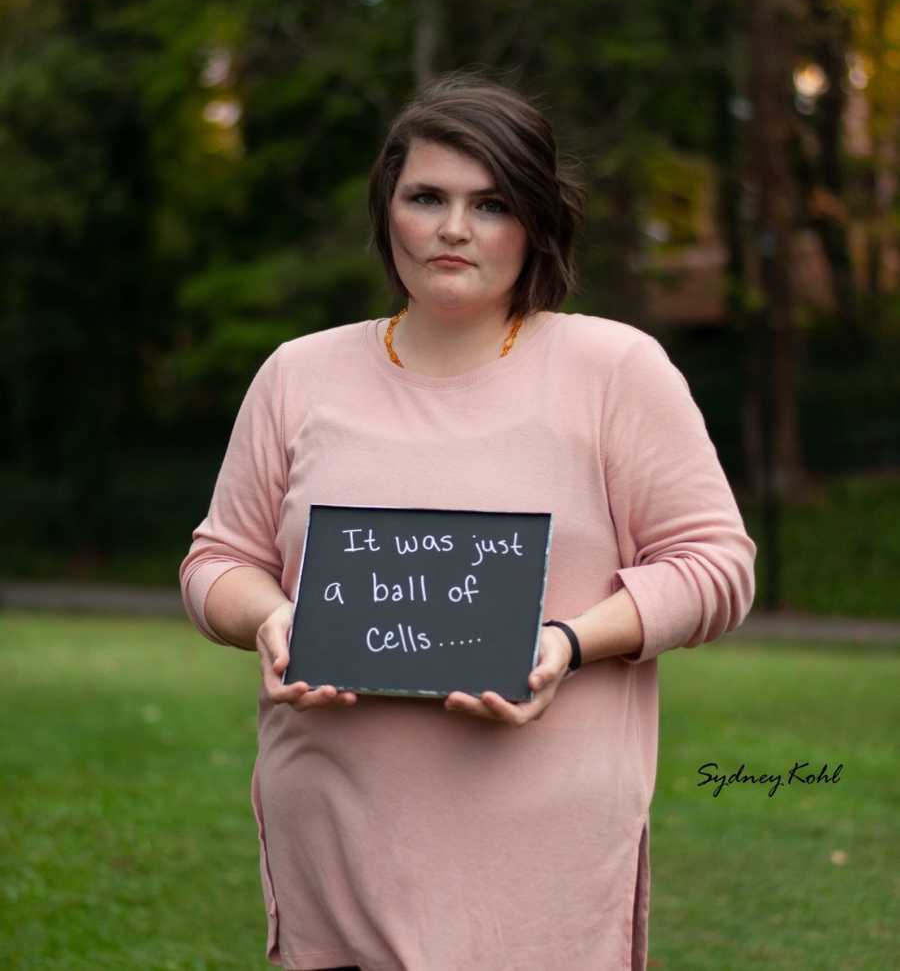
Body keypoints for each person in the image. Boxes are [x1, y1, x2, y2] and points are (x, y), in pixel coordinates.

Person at [179, 70, 756, 971]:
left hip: (543, 865)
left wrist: (568, 638)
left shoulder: (615, 370)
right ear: (387, 212)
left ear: (535, 223)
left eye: (490, 203)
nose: (454, 228)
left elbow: (716, 566)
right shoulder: (298, 374)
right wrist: (270, 616)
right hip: (336, 843)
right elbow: (217, 562)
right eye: (427, 197)